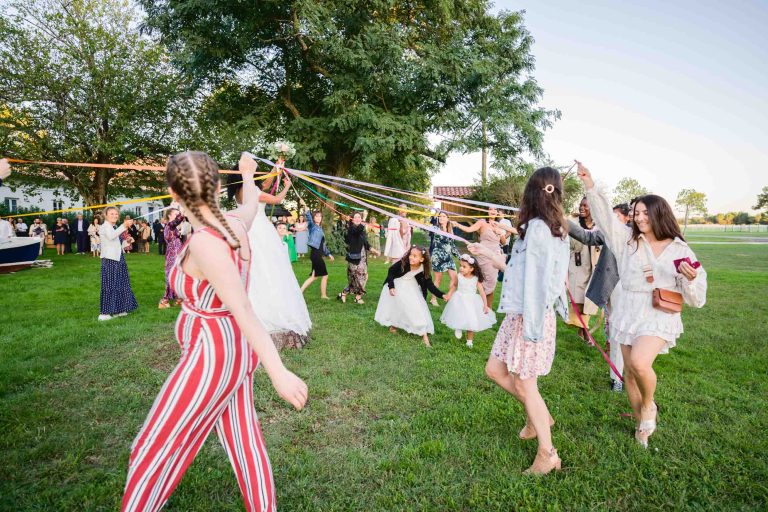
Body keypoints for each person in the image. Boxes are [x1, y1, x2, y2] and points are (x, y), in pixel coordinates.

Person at [121, 151, 308, 512]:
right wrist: (249, 176)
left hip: (213, 355)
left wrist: (279, 372)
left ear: (173, 194)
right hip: (236, 352)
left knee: (153, 445)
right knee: (243, 440)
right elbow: (251, 204)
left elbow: (244, 310)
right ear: (220, 186)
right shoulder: (235, 222)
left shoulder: (207, 242)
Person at [577, 161, 707, 449]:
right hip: (628, 310)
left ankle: (649, 407)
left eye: (646, 213)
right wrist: (590, 185)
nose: (640, 218)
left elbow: (697, 297)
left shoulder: (678, 249)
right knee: (630, 375)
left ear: (660, 215)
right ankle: (641, 426)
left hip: (657, 313)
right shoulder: (626, 241)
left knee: (638, 362)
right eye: (637, 214)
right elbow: (606, 220)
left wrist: (692, 278)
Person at [470, 167, 569, 475]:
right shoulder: (547, 227)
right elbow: (522, 271)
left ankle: (547, 454)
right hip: (521, 314)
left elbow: (538, 284)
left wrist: (533, 328)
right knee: (495, 369)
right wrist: (489, 255)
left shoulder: (541, 228)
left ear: (531, 193)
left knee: (526, 383)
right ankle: (537, 416)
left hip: (531, 315)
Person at [228, 159, 312, 347]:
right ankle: (268, 313)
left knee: (254, 269)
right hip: (260, 231)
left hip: (245, 230)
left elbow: (264, 182)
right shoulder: (254, 191)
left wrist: (277, 167)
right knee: (270, 269)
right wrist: (287, 186)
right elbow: (277, 199)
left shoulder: (240, 191)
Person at [567, 213, 625, 392]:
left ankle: (637, 372)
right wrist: (560, 218)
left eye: (616, 215)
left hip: (641, 292)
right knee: (617, 331)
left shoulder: (646, 235)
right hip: (616, 285)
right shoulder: (612, 234)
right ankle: (617, 378)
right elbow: (587, 236)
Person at [375, 246, 448, 347]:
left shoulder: (423, 269)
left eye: (415, 256)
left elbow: (429, 285)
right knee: (396, 306)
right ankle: (394, 325)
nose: (411, 257)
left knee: (415, 308)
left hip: (410, 286)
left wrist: (441, 294)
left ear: (422, 259)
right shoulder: (403, 262)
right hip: (396, 284)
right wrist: (391, 286)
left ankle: (424, 335)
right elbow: (391, 271)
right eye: (410, 255)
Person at [454, 207, 515, 308]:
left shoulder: (499, 225)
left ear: (497, 213)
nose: (492, 211)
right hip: (482, 254)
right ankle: (479, 306)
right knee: (481, 281)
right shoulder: (482, 222)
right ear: (488, 211)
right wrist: (458, 225)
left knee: (492, 281)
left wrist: (500, 233)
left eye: (495, 210)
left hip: (494, 256)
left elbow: (503, 242)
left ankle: (488, 308)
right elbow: (469, 229)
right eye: (490, 209)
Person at [439, 253, 496, 348]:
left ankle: (469, 341)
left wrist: (485, 305)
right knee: (459, 315)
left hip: (471, 302)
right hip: (459, 299)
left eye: (464, 267)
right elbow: (454, 286)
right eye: (460, 266)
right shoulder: (459, 276)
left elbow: (482, 293)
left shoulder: (476, 279)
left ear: (471, 269)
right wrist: (449, 295)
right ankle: (458, 327)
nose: (461, 268)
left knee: (471, 321)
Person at [567, 197, 600, 341]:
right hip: (577, 264)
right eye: (580, 205)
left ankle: (583, 329)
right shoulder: (573, 222)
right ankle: (585, 330)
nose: (582, 208)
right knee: (579, 298)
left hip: (593, 266)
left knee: (589, 299)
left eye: (585, 206)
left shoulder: (599, 225)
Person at [98, 207, 138, 321]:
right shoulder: (105, 227)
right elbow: (111, 236)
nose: (114, 216)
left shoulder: (113, 227)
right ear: (105, 215)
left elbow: (117, 244)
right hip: (110, 259)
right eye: (111, 214)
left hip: (119, 258)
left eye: (116, 214)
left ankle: (119, 310)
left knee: (121, 283)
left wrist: (127, 241)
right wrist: (124, 226)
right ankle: (104, 313)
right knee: (109, 285)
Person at [339, 212, 380, 304]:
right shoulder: (351, 229)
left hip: (363, 258)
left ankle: (357, 297)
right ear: (352, 219)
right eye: (356, 217)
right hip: (354, 259)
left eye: (359, 217)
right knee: (355, 279)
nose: (357, 218)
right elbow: (357, 231)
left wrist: (374, 250)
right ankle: (344, 293)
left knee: (363, 277)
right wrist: (364, 218)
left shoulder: (362, 230)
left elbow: (365, 243)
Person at [300, 205, 335, 298]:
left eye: (320, 216)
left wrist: (329, 254)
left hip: (317, 254)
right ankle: (323, 295)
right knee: (325, 275)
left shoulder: (320, 229)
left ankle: (299, 292)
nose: (318, 217)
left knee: (314, 277)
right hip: (316, 254)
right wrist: (307, 210)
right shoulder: (312, 226)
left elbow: (322, 245)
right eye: (316, 216)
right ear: (314, 217)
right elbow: (309, 218)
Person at [429, 211, 459, 307]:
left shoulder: (450, 230)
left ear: (447, 218)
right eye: (440, 216)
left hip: (448, 257)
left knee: (455, 279)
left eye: (443, 216)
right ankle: (433, 299)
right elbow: (430, 228)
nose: (441, 218)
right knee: (438, 280)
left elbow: (452, 246)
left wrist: (460, 257)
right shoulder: (436, 228)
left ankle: (449, 296)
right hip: (438, 257)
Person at [159, 208, 185, 308]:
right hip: (173, 253)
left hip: (177, 251)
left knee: (178, 274)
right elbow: (178, 220)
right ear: (169, 215)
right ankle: (164, 300)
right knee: (172, 275)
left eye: (178, 214)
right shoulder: (170, 225)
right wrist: (182, 213)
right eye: (175, 214)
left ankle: (178, 298)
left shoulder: (172, 227)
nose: (177, 216)